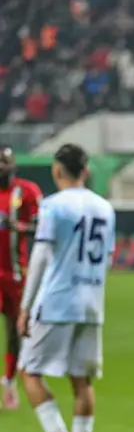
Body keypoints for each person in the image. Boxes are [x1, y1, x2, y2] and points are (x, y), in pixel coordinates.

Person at [17, 144, 116, 432]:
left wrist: (25, 307)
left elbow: (41, 257)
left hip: (58, 300)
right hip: (92, 302)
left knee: (29, 371)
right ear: (85, 171)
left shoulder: (53, 206)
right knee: (81, 380)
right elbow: (108, 259)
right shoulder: (105, 208)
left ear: (57, 170)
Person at [0, 144, 42, 410]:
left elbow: (42, 225)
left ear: (13, 164)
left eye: (4, 161)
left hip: (15, 273)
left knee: (15, 331)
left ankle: (9, 381)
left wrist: (19, 227)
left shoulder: (27, 191)